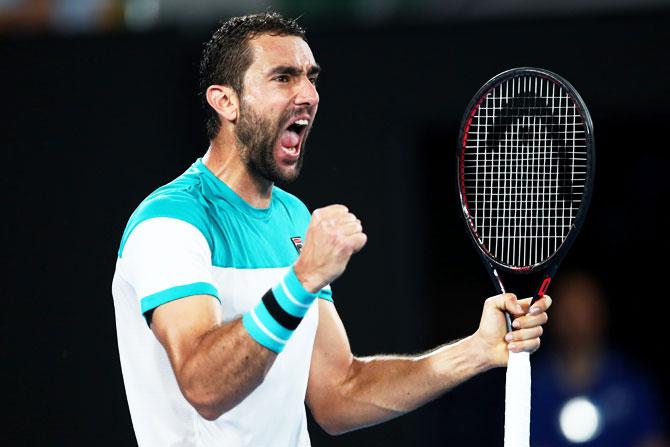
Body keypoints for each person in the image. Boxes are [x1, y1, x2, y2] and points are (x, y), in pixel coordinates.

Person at [111, 11, 551, 447]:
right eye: (283, 77)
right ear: (226, 101)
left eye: (311, 77)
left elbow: (338, 394)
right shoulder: (169, 223)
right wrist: (300, 282)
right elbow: (204, 388)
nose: (307, 94)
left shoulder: (293, 218)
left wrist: (475, 351)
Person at [531, 270, 667, 447]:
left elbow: (653, 439)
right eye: (567, 310)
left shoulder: (632, 381)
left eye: (583, 308)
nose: (574, 320)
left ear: (601, 312)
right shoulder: (533, 385)